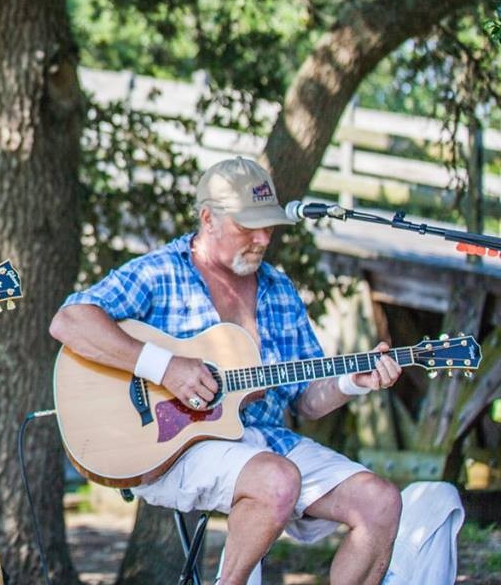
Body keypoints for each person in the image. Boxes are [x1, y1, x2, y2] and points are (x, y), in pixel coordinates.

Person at [50, 157, 406, 585]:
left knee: (380, 502)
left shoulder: (278, 289)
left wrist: (353, 382)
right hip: (174, 446)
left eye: (268, 226)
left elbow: (308, 400)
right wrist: (165, 368)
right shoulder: (161, 272)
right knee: (275, 479)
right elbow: (69, 322)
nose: (261, 239)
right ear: (208, 218)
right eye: (247, 226)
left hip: (265, 440)